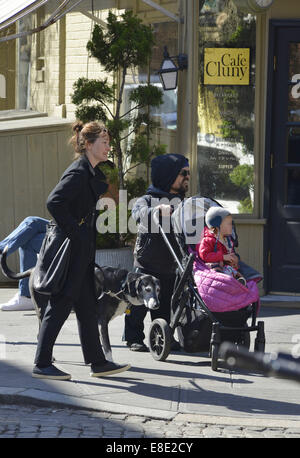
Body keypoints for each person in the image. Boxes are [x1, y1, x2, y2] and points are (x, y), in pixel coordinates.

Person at [33, 121, 131, 380]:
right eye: (104, 143)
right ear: (88, 145)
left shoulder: (90, 172)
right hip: (72, 250)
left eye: (109, 143)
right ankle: (42, 363)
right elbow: (54, 202)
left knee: (87, 307)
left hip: (82, 250)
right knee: (61, 303)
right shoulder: (78, 172)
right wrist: (75, 234)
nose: (108, 147)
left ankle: (98, 362)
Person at [124, 153, 190, 352]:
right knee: (138, 304)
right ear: (169, 175)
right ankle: (133, 337)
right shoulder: (146, 199)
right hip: (147, 263)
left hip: (170, 264)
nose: (187, 177)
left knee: (164, 305)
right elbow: (138, 214)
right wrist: (157, 210)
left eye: (188, 173)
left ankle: (162, 337)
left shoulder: (182, 203)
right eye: (183, 173)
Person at [0, 217, 48, 311]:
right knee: (32, 222)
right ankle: (27, 296)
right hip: (68, 228)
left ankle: (27, 296)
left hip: (77, 235)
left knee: (29, 235)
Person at [197, 206, 246, 285]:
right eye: (229, 224)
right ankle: (228, 281)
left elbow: (230, 254)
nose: (231, 226)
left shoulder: (227, 240)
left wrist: (233, 259)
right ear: (217, 226)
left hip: (226, 267)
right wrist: (223, 257)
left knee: (234, 270)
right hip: (212, 268)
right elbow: (205, 255)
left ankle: (239, 281)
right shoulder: (207, 240)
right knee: (216, 267)